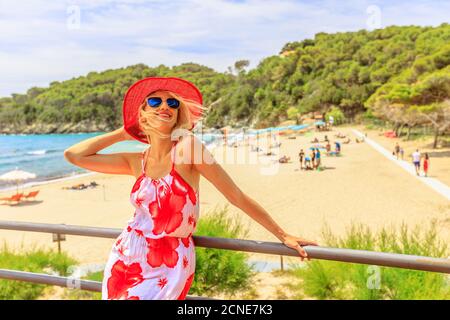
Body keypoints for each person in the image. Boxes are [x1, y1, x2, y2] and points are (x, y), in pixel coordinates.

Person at [63, 77, 318, 300]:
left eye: (172, 103)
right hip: (127, 254)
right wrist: (123, 132)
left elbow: (235, 195)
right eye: (155, 102)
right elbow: (74, 155)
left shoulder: (188, 148)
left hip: (168, 263)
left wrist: (283, 235)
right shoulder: (136, 160)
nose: (165, 106)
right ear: (142, 113)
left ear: (178, 113)